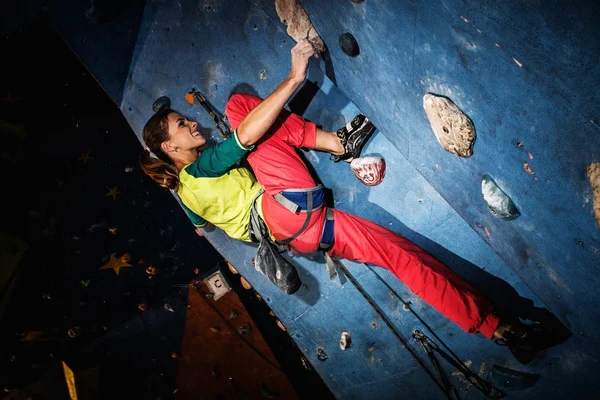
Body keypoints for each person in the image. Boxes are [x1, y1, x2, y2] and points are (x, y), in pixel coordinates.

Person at [139, 39, 545, 364]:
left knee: (398, 256)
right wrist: (296, 76)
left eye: (186, 118)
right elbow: (244, 137)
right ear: (169, 146)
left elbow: (200, 226)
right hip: (285, 205)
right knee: (240, 109)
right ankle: (338, 142)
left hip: (300, 235)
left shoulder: (184, 193)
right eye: (181, 124)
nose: (191, 123)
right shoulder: (199, 169)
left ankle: (497, 327)